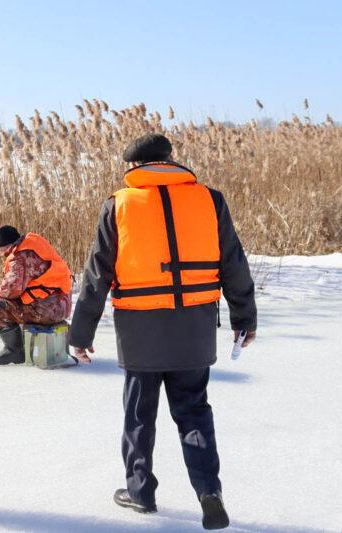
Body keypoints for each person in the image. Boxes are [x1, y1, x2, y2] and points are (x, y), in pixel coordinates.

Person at [69, 133, 257, 530]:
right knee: (194, 412)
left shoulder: (118, 205)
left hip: (141, 330)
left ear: (134, 167)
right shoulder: (210, 199)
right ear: (171, 159)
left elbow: (96, 275)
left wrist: (80, 335)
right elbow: (234, 262)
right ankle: (209, 492)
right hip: (194, 327)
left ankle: (140, 493)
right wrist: (244, 318)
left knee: (139, 415)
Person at [0, 225, 73, 365]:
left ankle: (14, 351)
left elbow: (11, 289)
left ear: (8, 246)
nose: (1, 254)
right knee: (17, 302)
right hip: (61, 307)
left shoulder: (20, 258)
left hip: (45, 311)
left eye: (1, 250)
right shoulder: (35, 245)